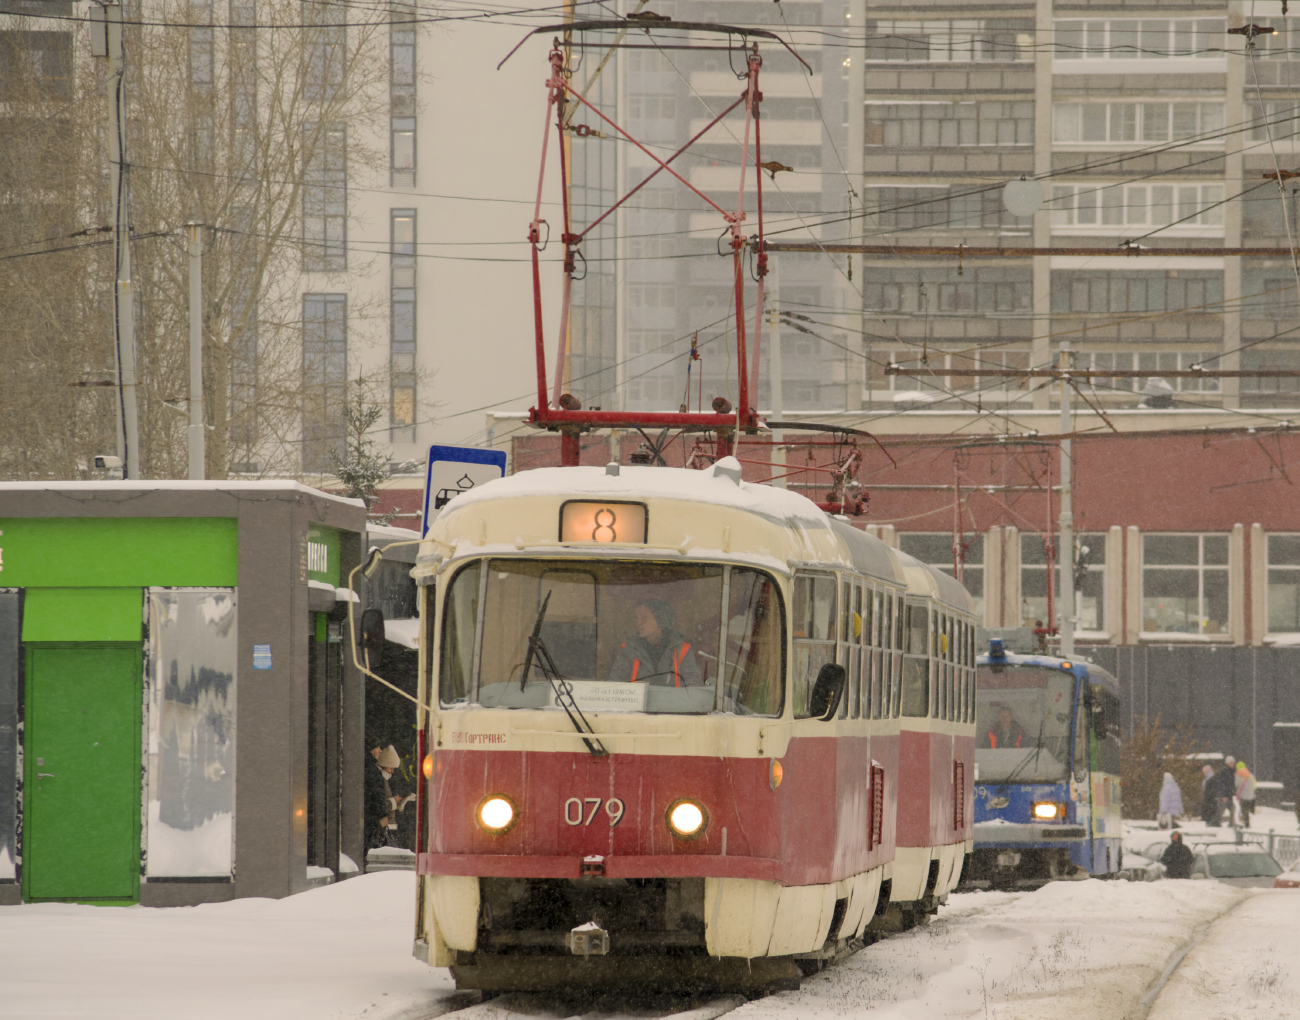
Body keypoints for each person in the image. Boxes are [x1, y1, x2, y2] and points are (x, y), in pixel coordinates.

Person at [608, 599, 702, 686]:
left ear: (661, 620)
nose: (638, 622)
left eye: (644, 617)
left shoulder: (682, 650)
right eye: (636, 618)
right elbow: (615, 684)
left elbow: (693, 686)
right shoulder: (628, 650)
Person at [365, 744, 401, 850]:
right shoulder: (378, 778)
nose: (392, 771)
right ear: (385, 764)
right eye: (391, 768)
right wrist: (393, 802)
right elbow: (379, 801)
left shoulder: (380, 777)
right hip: (379, 824)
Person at [1214, 758, 1237, 827]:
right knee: (1221, 810)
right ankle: (1215, 822)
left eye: (1233, 762)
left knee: (1232, 808)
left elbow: (1232, 783)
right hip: (1224, 795)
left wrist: (1234, 791)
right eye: (1231, 762)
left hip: (1229, 795)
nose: (1232, 764)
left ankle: (1231, 823)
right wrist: (1224, 795)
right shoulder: (1224, 772)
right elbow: (1222, 784)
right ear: (1227, 763)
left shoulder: (1233, 771)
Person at [1235, 761, 1257, 828]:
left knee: (1243, 810)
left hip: (1242, 796)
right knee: (1247, 810)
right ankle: (1247, 822)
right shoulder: (1251, 775)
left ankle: (1245, 823)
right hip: (1251, 796)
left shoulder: (1238, 775)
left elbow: (1236, 785)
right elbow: (1254, 786)